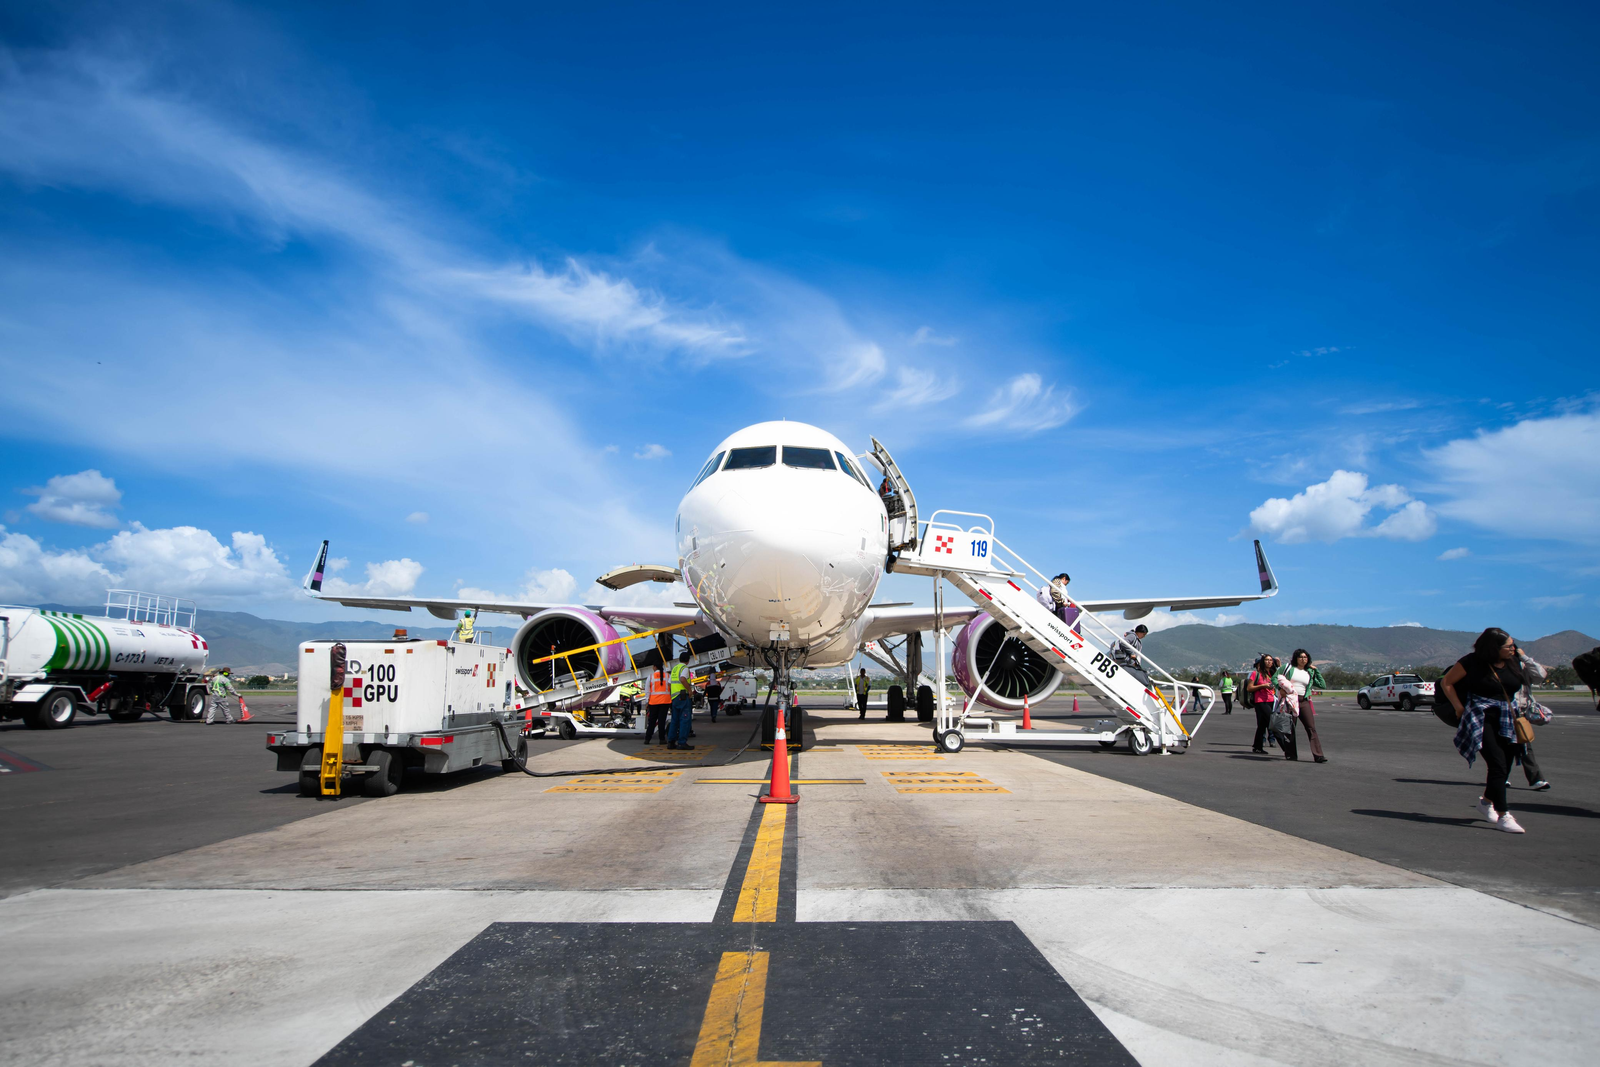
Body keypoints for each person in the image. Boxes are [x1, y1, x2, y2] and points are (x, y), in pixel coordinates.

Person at [1439, 627, 1528, 834]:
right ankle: (1504, 814)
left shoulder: (1512, 662)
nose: (1512, 649)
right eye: (1508, 646)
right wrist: (1459, 707)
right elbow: (1447, 683)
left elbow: (1527, 682)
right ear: (1493, 647)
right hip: (1480, 717)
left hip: (1507, 717)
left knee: (1505, 765)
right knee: (1497, 764)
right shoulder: (1471, 662)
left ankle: (1486, 802)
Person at [1275, 649, 1327, 763]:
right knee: (1290, 728)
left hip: (1303, 701)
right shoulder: (1288, 668)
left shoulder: (1309, 671)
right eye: (1301, 657)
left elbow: (1322, 685)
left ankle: (1318, 755)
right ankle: (1291, 754)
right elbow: (1274, 678)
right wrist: (1280, 689)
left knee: (1311, 728)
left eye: (1305, 657)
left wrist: (1316, 671)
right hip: (1290, 701)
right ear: (1296, 658)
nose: (1303, 659)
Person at [1514, 649, 1551, 791]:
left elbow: (1541, 675)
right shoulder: (1497, 667)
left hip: (1521, 713)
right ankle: (1500, 777)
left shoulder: (1524, 667)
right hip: (1503, 712)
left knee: (1525, 745)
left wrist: (1524, 658)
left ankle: (1536, 779)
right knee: (1504, 747)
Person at [1248, 655, 1278, 753]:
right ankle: (1286, 748)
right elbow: (1249, 688)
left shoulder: (1272, 673)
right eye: (1266, 660)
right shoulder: (1255, 674)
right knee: (1272, 721)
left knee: (1262, 725)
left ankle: (1257, 747)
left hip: (1270, 700)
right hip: (1260, 701)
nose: (1269, 662)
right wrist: (1262, 686)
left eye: (1270, 660)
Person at [667, 650, 695, 750]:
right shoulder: (685, 668)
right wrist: (689, 690)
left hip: (674, 697)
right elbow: (683, 679)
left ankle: (671, 742)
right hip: (683, 696)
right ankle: (682, 742)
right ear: (688, 661)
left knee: (675, 720)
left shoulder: (674, 669)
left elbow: (669, 683)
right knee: (685, 719)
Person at [643, 665, 671, 745]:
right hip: (665, 701)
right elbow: (670, 687)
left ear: (655, 667)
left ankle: (647, 739)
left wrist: (647, 702)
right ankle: (662, 739)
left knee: (652, 721)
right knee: (662, 721)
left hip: (653, 702)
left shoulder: (651, 677)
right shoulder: (668, 676)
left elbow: (647, 691)